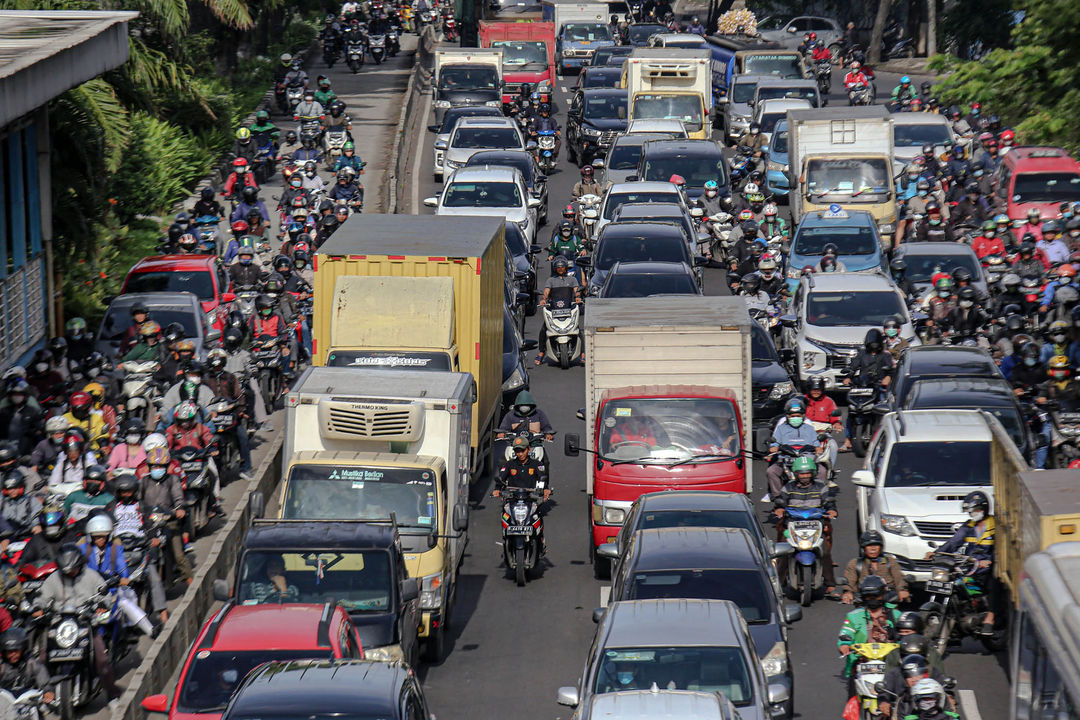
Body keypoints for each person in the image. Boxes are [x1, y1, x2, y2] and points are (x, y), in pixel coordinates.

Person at [36, 543, 122, 703]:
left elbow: (104, 594)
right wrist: (38, 607)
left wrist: (103, 605)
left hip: (86, 624)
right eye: (65, 571)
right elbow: (42, 597)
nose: (69, 573)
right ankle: (43, 695)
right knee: (42, 659)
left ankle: (112, 695)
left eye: (72, 570)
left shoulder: (91, 576)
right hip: (60, 625)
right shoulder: (54, 578)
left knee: (102, 660)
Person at [927, 490, 996, 636]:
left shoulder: (995, 526)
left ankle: (989, 618)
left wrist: (990, 560)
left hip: (990, 567)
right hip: (972, 566)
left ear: (983, 509)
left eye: (975, 510)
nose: (972, 514)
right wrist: (937, 552)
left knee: (994, 586)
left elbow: (1001, 548)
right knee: (957, 582)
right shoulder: (968, 526)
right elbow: (954, 542)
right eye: (971, 511)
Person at [76, 514, 155, 636]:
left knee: (125, 601)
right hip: (88, 592)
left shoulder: (115, 549)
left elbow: (121, 566)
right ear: (91, 537)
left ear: (109, 535)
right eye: (96, 537)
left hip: (109, 590)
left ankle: (149, 630)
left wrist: (123, 578)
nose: (100, 540)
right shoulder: (82, 549)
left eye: (103, 536)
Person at [773, 456, 837, 596]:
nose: (805, 477)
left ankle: (830, 584)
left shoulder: (821, 486)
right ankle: (778, 584)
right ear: (796, 474)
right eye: (802, 473)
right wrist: (779, 509)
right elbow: (780, 502)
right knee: (784, 551)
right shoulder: (788, 487)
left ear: (813, 473)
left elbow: (829, 502)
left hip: (815, 524)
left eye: (808, 473)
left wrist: (831, 510)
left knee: (824, 551)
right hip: (792, 525)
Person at [137, 446, 192, 582]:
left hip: (169, 520)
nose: (157, 469)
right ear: (149, 467)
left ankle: (191, 581)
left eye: (161, 466)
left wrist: (179, 509)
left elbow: (178, 497)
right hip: (148, 523)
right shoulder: (143, 481)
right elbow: (137, 500)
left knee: (179, 556)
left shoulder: (172, 480)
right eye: (154, 466)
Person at [838, 575, 902, 688]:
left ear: (882, 595)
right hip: (861, 663)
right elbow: (846, 633)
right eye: (868, 597)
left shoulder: (896, 615)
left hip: (889, 663)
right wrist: (844, 645)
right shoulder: (854, 616)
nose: (872, 599)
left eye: (875, 596)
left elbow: (905, 635)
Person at [494, 437, 551, 551]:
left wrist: (545, 490)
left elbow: (542, 479)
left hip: (530, 499)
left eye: (522, 450)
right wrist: (498, 489)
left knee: (537, 516)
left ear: (528, 449)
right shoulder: (509, 464)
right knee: (505, 516)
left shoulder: (536, 464)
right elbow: (501, 478)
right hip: (513, 499)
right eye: (517, 451)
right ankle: (506, 538)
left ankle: (541, 539)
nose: (520, 454)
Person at [205, 349, 254, 480]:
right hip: (212, 417)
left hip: (230, 414)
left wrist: (240, 410)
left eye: (219, 365)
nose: (217, 368)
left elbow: (239, 395)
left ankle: (246, 468)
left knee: (243, 437)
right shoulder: (206, 379)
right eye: (215, 366)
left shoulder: (231, 377)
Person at [765, 398, 826, 500]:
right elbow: (775, 442)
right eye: (793, 416)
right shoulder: (781, 428)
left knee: (822, 471)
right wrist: (774, 447)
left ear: (802, 416)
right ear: (788, 416)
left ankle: (820, 496)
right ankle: (778, 497)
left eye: (798, 416)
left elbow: (816, 442)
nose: (795, 418)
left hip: (807, 458)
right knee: (771, 471)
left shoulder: (809, 428)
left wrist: (818, 448)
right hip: (785, 458)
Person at [536, 257, 582, 366]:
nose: (560, 269)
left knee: (579, 331)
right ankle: (542, 352)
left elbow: (577, 292)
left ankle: (583, 354)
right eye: (558, 267)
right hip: (554, 310)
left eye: (562, 267)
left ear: (566, 268)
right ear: (555, 269)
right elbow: (546, 292)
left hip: (569, 310)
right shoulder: (550, 280)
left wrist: (578, 297)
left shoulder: (572, 280)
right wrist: (543, 299)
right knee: (544, 330)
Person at [842, 530, 910, 603]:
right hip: (864, 601)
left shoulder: (890, 561)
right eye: (869, 545)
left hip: (888, 601)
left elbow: (899, 579)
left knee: (898, 614)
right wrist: (848, 592)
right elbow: (849, 581)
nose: (873, 548)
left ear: (881, 547)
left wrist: (902, 590)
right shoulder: (855, 563)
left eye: (876, 545)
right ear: (863, 548)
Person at [0, 627, 53, 704]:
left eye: (16, 650)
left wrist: (48, 691)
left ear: (23, 649)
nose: (13, 654)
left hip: (29, 705)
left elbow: (44, 680)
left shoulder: (31, 664)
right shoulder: (2, 666)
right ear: (4, 652)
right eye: (9, 652)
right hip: (5, 707)